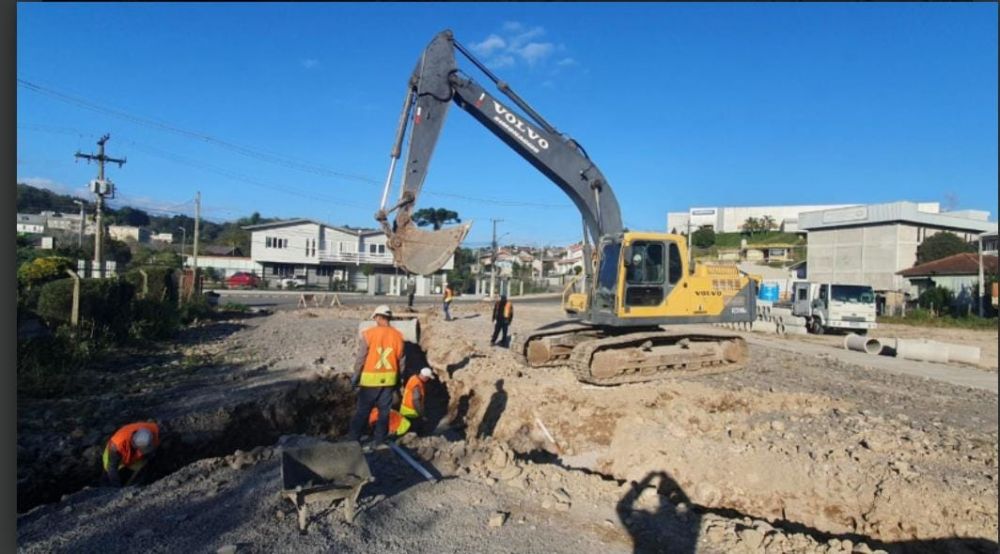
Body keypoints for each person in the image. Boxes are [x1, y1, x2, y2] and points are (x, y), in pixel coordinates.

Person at [349, 305, 405, 449]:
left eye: (375, 318)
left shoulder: (369, 334)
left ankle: (353, 440)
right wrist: (399, 379)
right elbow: (401, 361)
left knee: (363, 412)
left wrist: (356, 375)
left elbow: (361, 357)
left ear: (378, 317)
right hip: (389, 381)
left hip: (369, 382)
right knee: (384, 413)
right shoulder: (398, 336)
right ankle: (380, 441)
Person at [102, 421, 160, 487]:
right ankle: (104, 487)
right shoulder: (117, 445)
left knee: (141, 467)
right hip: (115, 452)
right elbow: (112, 468)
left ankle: (136, 483)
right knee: (108, 470)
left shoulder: (153, 430)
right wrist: (117, 489)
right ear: (135, 445)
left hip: (133, 454)